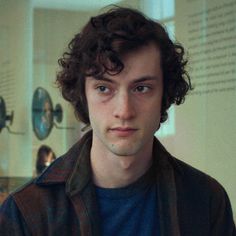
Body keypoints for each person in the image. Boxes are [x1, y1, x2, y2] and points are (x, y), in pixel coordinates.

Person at [0, 6, 235, 236]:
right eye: (104, 88)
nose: (124, 111)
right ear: (83, 95)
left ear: (165, 95)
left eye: (141, 88)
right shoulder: (27, 211)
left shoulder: (207, 200)